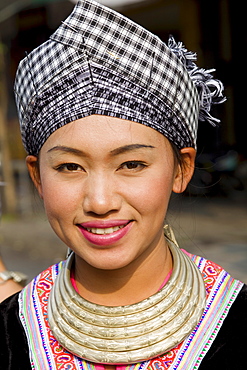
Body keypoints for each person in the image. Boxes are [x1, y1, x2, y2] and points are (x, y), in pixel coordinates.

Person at [0, 0, 246, 369]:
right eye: (69, 166)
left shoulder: (236, 323)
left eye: (132, 164)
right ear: (37, 176)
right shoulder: (12, 329)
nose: (100, 201)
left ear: (182, 168)